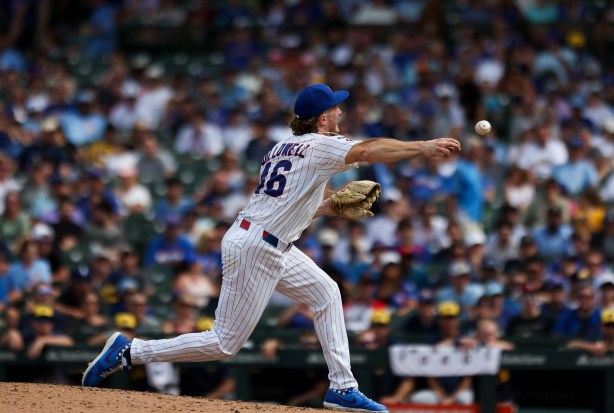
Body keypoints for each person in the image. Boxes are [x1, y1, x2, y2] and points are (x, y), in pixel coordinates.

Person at [82, 83, 460, 412]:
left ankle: (343, 387)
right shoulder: (320, 144)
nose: (341, 110)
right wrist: (421, 146)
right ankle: (130, 351)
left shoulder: (283, 147)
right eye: (335, 107)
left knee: (327, 292)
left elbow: (291, 204)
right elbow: (369, 150)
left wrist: (331, 206)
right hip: (257, 246)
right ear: (322, 119)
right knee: (225, 343)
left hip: (265, 238)